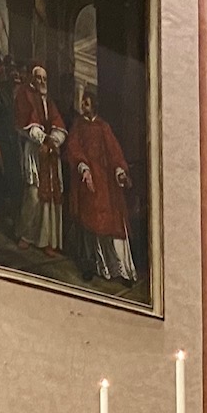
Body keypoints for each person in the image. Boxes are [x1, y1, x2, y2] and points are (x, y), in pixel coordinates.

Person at [68, 89, 136, 284]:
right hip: (87, 181)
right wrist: (83, 167)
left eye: (86, 104)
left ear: (94, 106)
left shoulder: (103, 127)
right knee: (89, 225)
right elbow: (73, 147)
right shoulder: (78, 126)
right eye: (82, 103)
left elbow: (114, 151)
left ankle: (120, 271)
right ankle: (92, 267)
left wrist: (119, 171)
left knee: (111, 223)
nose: (83, 107)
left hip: (105, 182)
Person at [13, 64, 67, 255]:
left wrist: (52, 141)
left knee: (51, 197)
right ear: (32, 80)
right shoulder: (25, 96)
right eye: (39, 78)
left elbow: (59, 126)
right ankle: (26, 236)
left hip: (49, 153)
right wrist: (43, 139)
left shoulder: (49, 101)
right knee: (33, 195)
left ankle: (47, 241)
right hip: (34, 152)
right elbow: (25, 125)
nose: (42, 82)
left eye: (45, 79)